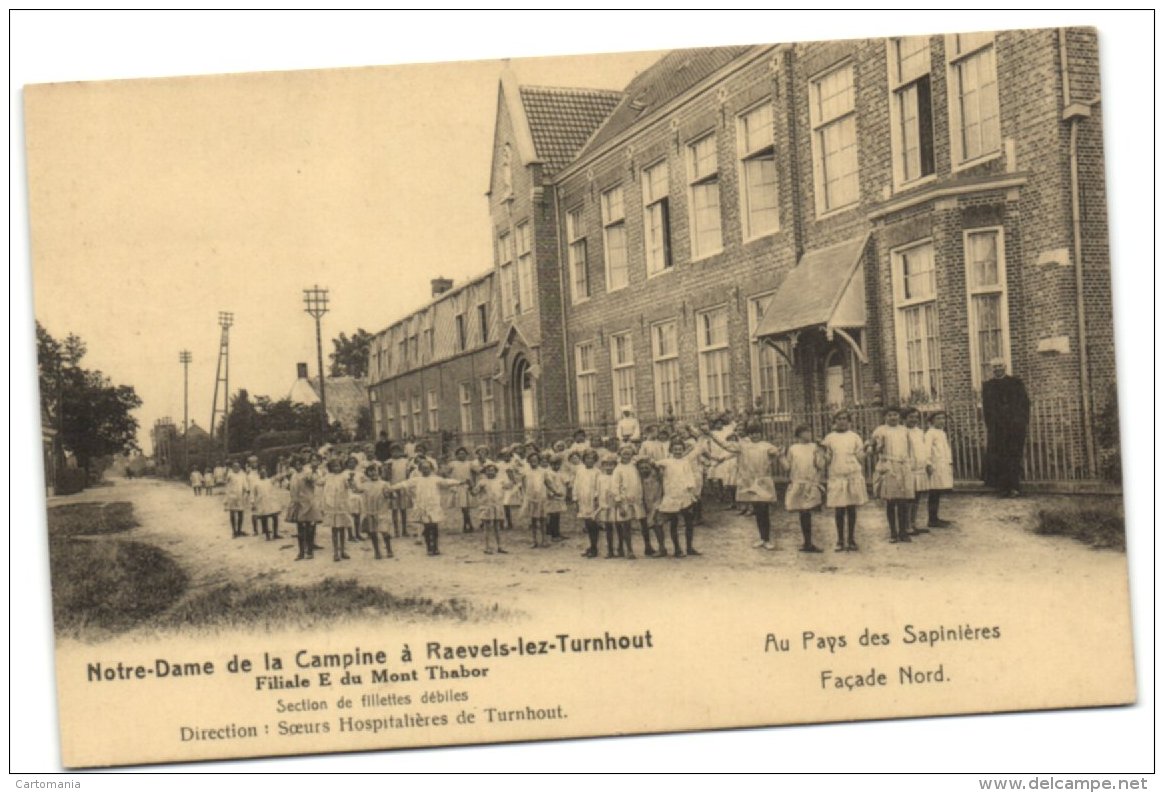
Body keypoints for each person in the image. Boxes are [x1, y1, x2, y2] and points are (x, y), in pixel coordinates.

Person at [720, 424, 783, 550]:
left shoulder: (766, 445)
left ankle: (767, 539)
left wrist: (778, 447)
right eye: (752, 433)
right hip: (750, 482)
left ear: (761, 434)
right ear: (749, 435)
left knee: (764, 510)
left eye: (757, 433)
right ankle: (762, 538)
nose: (755, 435)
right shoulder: (743, 446)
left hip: (763, 482)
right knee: (758, 511)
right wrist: (710, 434)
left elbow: (777, 452)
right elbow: (726, 446)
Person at [387, 459, 465, 557]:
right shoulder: (417, 480)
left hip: (434, 506)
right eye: (423, 468)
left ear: (431, 469)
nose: (426, 470)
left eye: (427, 468)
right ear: (420, 469)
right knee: (427, 528)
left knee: (434, 527)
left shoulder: (435, 479)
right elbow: (404, 484)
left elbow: (447, 482)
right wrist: (391, 488)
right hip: (423, 507)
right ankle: (429, 547)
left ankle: (436, 547)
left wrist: (460, 482)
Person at [655, 436, 712, 558]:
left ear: (683, 450)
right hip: (671, 496)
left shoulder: (686, 462)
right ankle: (677, 549)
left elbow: (690, 477)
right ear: (671, 450)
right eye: (675, 449)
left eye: (680, 449)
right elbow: (652, 463)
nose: (678, 451)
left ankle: (689, 547)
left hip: (685, 495)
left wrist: (692, 492)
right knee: (673, 523)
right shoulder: (666, 462)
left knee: (689, 522)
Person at [982, 359, 1030, 498]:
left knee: (1014, 457)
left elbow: (1025, 404)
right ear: (992, 369)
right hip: (997, 429)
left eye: (1000, 366)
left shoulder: (1016, 383)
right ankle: (1002, 488)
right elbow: (986, 409)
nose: (997, 369)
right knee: (999, 458)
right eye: (995, 367)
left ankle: (1014, 487)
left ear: (1005, 367)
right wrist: (990, 426)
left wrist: (1021, 422)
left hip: (1014, 428)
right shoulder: (988, 386)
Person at [821, 410, 868, 552]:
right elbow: (827, 460)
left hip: (852, 474)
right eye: (839, 419)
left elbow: (860, 457)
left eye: (845, 419)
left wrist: (867, 450)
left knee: (852, 508)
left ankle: (851, 539)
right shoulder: (829, 438)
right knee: (839, 509)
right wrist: (822, 451)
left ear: (849, 421)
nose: (842, 421)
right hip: (837, 475)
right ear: (834, 421)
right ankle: (840, 540)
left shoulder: (854, 437)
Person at [871, 407, 915, 544]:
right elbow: (873, 448)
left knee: (903, 501)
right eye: (889, 415)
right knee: (891, 501)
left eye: (895, 415)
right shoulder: (880, 430)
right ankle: (893, 533)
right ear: (885, 417)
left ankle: (903, 532)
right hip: (888, 465)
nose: (893, 418)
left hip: (902, 466)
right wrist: (877, 448)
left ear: (899, 417)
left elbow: (910, 448)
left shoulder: (904, 430)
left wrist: (910, 464)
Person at [782, 424, 826, 553]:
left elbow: (820, 465)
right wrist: (780, 456)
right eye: (805, 431)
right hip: (798, 483)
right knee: (803, 513)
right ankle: (807, 542)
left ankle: (809, 542)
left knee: (808, 511)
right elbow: (787, 467)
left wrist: (821, 451)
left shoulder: (814, 447)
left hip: (810, 484)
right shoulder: (793, 448)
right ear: (799, 434)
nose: (809, 433)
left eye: (809, 431)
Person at [286, 456, 322, 560]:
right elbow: (291, 489)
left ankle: (310, 551)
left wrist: (314, 470)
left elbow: (314, 479)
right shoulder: (293, 476)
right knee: (300, 529)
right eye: (296, 464)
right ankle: (301, 552)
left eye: (300, 464)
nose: (298, 466)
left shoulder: (307, 473)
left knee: (310, 528)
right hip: (298, 504)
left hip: (309, 503)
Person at [612, 445, 644, 559]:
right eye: (624, 454)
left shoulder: (634, 467)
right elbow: (615, 487)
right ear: (620, 455)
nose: (627, 456)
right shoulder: (618, 469)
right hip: (624, 501)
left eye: (629, 454)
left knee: (636, 523)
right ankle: (629, 550)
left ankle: (646, 547)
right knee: (625, 525)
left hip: (636, 500)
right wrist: (619, 503)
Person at [472, 462, 511, 555]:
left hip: (497, 506)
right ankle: (487, 547)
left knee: (497, 527)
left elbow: (509, 486)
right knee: (487, 527)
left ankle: (500, 546)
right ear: (485, 472)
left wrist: (511, 477)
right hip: (487, 506)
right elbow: (474, 493)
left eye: (492, 470)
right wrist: (471, 487)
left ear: (496, 471)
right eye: (488, 471)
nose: (490, 472)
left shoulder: (500, 481)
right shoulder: (482, 482)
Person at [321, 458, 355, 562]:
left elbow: (350, 486)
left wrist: (351, 479)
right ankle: (335, 552)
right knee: (334, 529)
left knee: (342, 528)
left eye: (338, 466)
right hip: (332, 506)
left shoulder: (344, 476)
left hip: (341, 506)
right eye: (334, 466)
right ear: (330, 468)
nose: (336, 468)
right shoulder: (327, 477)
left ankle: (343, 551)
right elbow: (319, 482)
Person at [924, 412, 954, 527]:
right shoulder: (930, 433)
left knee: (938, 492)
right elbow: (926, 450)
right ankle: (932, 520)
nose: (941, 421)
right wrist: (928, 464)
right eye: (938, 418)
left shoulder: (941, 433)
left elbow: (945, 450)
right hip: (935, 466)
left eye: (943, 418)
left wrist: (949, 463)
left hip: (942, 465)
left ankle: (935, 517)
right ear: (932, 421)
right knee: (934, 492)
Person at [360, 463, 394, 560]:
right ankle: (377, 551)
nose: (373, 473)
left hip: (382, 511)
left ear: (379, 472)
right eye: (370, 471)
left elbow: (391, 496)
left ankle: (389, 549)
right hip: (370, 511)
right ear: (367, 473)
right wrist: (351, 481)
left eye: (375, 470)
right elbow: (356, 490)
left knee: (384, 532)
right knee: (373, 532)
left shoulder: (384, 483)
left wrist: (389, 494)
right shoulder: (365, 485)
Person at [904, 408, 930, 536]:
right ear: (905, 418)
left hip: (920, 467)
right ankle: (907, 525)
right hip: (909, 468)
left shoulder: (920, 432)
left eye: (915, 417)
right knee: (910, 497)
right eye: (910, 417)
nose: (913, 419)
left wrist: (927, 463)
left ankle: (913, 523)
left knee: (918, 496)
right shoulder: (903, 432)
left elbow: (924, 449)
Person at [572, 448, 601, 558]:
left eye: (592, 458)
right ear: (583, 459)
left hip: (592, 500)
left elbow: (599, 486)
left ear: (595, 460)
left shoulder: (597, 472)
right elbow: (576, 484)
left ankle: (594, 547)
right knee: (587, 524)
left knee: (593, 523)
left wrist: (596, 497)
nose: (589, 460)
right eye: (587, 458)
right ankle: (591, 545)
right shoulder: (580, 471)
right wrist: (575, 498)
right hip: (583, 499)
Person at [595, 453, 624, 558]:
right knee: (608, 528)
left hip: (616, 504)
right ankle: (610, 550)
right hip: (605, 504)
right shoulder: (601, 477)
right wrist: (599, 503)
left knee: (619, 526)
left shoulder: (617, 476)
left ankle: (620, 548)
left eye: (611, 465)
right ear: (602, 466)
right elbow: (598, 491)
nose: (609, 467)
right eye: (606, 465)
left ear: (615, 465)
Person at [637, 458, 665, 556]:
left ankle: (662, 548)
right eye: (642, 468)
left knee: (657, 524)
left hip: (656, 502)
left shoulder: (655, 475)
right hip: (644, 503)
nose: (644, 470)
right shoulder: (639, 478)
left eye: (646, 468)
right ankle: (647, 547)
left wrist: (653, 463)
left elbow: (659, 468)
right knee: (644, 525)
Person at [446, 447, 475, 533]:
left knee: (466, 507)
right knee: (463, 507)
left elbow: (475, 473)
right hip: (458, 486)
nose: (461, 455)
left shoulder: (470, 463)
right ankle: (468, 524)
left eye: (463, 454)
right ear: (456, 455)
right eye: (459, 454)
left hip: (467, 486)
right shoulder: (453, 464)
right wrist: (451, 483)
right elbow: (447, 474)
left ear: (466, 455)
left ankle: (467, 524)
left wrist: (472, 484)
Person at [545, 455, 569, 541]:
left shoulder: (561, 473)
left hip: (560, 496)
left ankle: (557, 532)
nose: (556, 467)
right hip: (553, 497)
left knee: (557, 515)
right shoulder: (548, 473)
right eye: (553, 465)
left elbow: (566, 481)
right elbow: (548, 485)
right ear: (550, 464)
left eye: (558, 465)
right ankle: (553, 534)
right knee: (553, 515)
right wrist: (551, 493)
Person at [222, 461, 249, 539]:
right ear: (232, 468)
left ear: (240, 467)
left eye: (238, 467)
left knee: (241, 513)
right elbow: (226, 482)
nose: (236, 468)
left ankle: (239, 530)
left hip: (240, 496)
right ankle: (234, 531)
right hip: (231, 496)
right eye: (235, 467)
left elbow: (245, 484)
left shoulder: (242, 474)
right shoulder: (230, 474)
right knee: (232, 513)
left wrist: (247, 490)